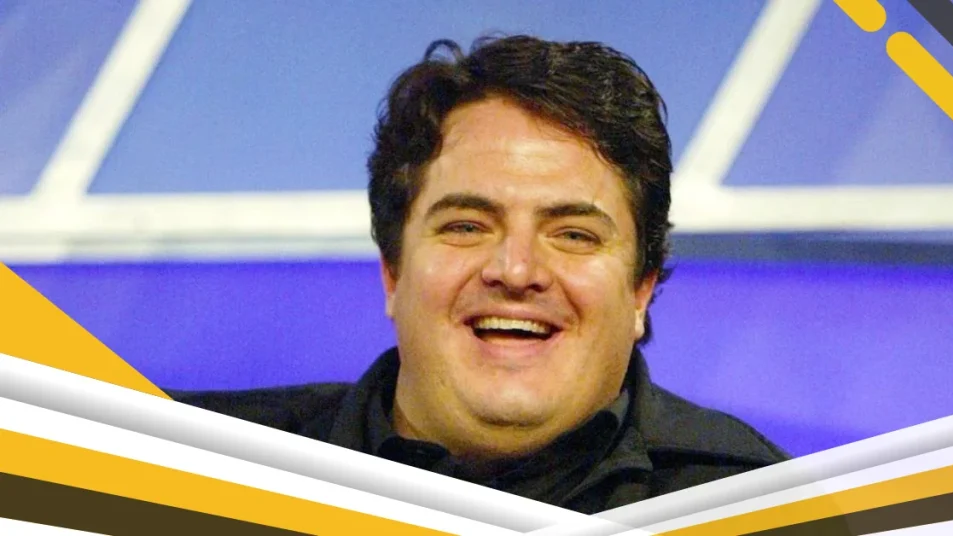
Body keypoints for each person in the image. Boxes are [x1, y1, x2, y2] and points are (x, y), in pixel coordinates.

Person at [171, 35, 788, 514]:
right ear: (393, 272)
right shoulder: (184, 470)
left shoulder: (757, 507)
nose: (516, 270)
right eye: (467, 226)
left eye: (573, 234)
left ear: (640, 290)